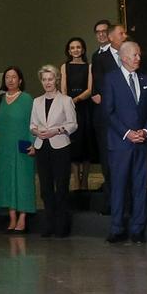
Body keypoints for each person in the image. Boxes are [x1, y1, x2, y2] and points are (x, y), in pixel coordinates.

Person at [100, 40, 147, 244]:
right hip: (120, 143)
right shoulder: (111, 79)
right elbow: (108, 111)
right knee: (119, 186)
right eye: (135, 55)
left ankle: (138, 229)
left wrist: (146, 131)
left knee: (140, 186)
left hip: (142, 142)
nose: (139, 58)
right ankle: (117, 227)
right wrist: (127, 133)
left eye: (139, 54)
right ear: (123, 58)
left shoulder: (146, 78)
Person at [30, 65, 78, 238]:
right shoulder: (37, 101)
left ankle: (62, 225)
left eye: (50, 79)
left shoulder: (66, 100)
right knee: (45, 188)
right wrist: (36, 132)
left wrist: (56, 131)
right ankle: (49, 224)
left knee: (61, 187)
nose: (47, 82)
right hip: (42, 146)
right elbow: (32, 125)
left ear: (56, 80)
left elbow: (73, 124)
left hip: (60, 146)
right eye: (44, 79)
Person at [0, 66, 36, 232]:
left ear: (20, 80)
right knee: (7, 181)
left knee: (22, 181)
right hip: (3, 148)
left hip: (22, 147)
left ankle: (23, 216)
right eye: (7, 77)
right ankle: (12, 216)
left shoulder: (27, 99)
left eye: (14, 77)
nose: (10, 80)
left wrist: (33, 143)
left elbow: (33, 123)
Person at [59, 37, 95, 192]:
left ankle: (85, 180)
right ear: (68, 51)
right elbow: (63, 88)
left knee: (86, 144)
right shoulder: (64, 67)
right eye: (72, 47)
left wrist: (76, 99)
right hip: (69, 109)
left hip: (85, 108)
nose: (75, 50)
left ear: (83, 49)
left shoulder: (89, 66)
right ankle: (76, 182)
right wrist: (69, 103)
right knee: (73, 144)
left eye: (78, 47)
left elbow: (90, 89)